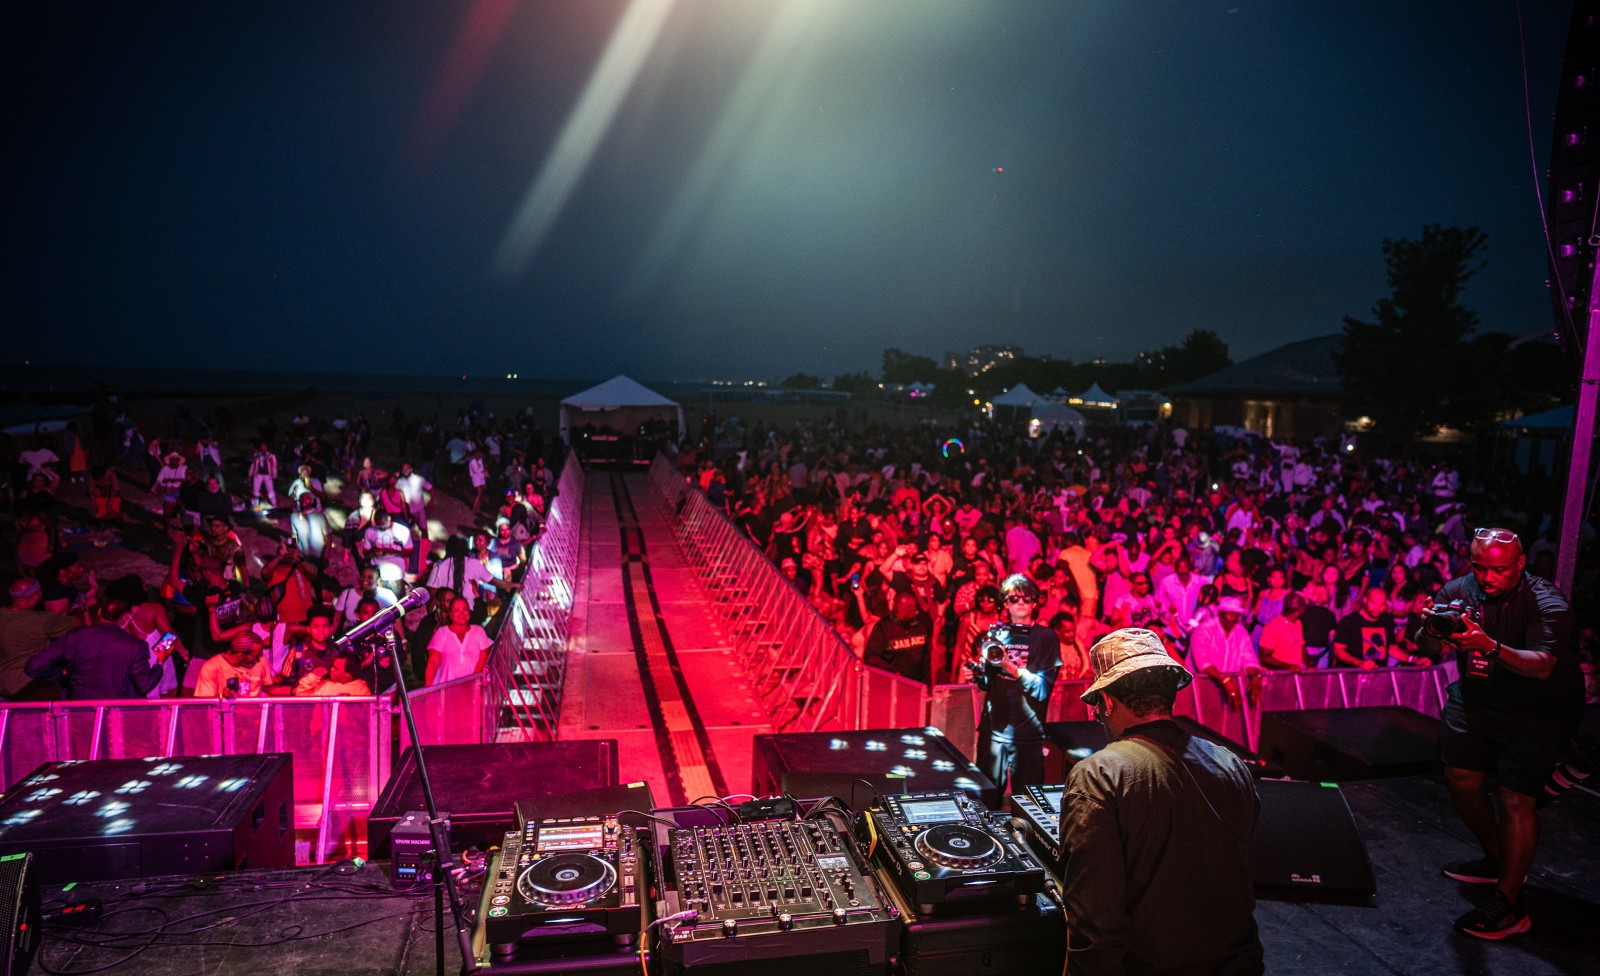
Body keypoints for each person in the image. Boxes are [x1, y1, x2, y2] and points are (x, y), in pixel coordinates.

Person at [1060, 627, 1263, 975]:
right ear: (1168, 694)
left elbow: (1095, 925)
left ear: (1106, 702)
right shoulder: (1230, 763)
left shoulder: (1097, 776)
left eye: (1097, 706)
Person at [1419, 527, 1585, 940]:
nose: (1488, 578)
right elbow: (1425, 648)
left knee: (1514, 799)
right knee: (1461, 780)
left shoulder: (1546, 601)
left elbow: (1543, 664)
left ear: (1520, 564)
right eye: (1480, 568)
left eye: (1499, 570)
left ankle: (1510, 902)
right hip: (1476, 699)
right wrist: (1431, 630)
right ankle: (1499, 859)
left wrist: (1488, 645)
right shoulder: (1457, 590)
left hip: (1535, 709)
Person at [967, 574, 1061, 791]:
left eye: (1026, 599)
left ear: (1035, 602)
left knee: (1027, 805)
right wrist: (976, 675)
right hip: (994, 732)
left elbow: (1042, 689)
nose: (1020, 603)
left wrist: (1013, 668)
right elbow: (988, 683)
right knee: (986, 801)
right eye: (1013, 599)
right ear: (1006, 603)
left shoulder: (1046, 637)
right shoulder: (997, 633)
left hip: (1027, 734)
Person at [25, 598, 174, 700]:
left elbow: (33, 666)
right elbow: (145, 685)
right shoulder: (135, 646)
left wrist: (62, 674)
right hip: (116, 712)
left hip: (79, 709)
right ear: (124, 617)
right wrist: (160, 661)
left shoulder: (75, 636)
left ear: (98, 612)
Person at [0, 578, 75, 700]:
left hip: (3, 686)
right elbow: (79, 626)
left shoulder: (2, 614)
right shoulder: (42, 620)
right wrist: (78, 606)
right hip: (30, 685)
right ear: (36, 595)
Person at [424, 593, 492, 685]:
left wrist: (472, 682)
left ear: (469, 613)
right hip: (447, 690)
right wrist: (427, 689)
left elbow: (483, 658)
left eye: (465, 610)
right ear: (450, 614)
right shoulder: (442, 633)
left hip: (474, 687)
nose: (461, 614)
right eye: (456, 610)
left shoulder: (478, 631)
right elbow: (433, 662)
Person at [192, 633, 277, 699]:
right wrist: (224, 697)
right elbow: (205, 704)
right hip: (226, 719)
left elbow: (268, 688)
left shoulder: (261, 660)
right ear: (240, 656)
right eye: (257, 655)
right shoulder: (211, 668)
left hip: (255, 719)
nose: (260, 657)